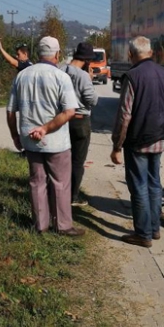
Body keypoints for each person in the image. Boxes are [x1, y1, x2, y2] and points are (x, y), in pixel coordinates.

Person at [6, 36, 84, 236]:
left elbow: (10, 110)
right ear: (57, 54)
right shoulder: (61, 77)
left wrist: (15, 135)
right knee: (60, 183)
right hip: (57, 142)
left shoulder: (22, 76)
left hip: (30, 141)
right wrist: (46, 129)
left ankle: (40, 226)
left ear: (38, 54)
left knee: (36, 181)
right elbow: (69, 112)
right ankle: (62, 226)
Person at [110, 36, 164, 248]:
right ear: (151, 53)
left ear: (130, 55)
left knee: (139, 186)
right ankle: (155, 229)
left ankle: (143, 234)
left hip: (139, 139)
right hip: (160, 136)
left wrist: (117, 145)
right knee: (155, 183)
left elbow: (124, 115)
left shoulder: (133, 76)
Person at [61, 42, 99, 206]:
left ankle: (58, 190)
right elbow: (92, 100)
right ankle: (72, 196)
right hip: (80, 120)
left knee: (62, 158)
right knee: (77, 161)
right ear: (88, 59)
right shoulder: (83, 76)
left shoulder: (60, 70)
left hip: (61, 120)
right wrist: (90, 80)